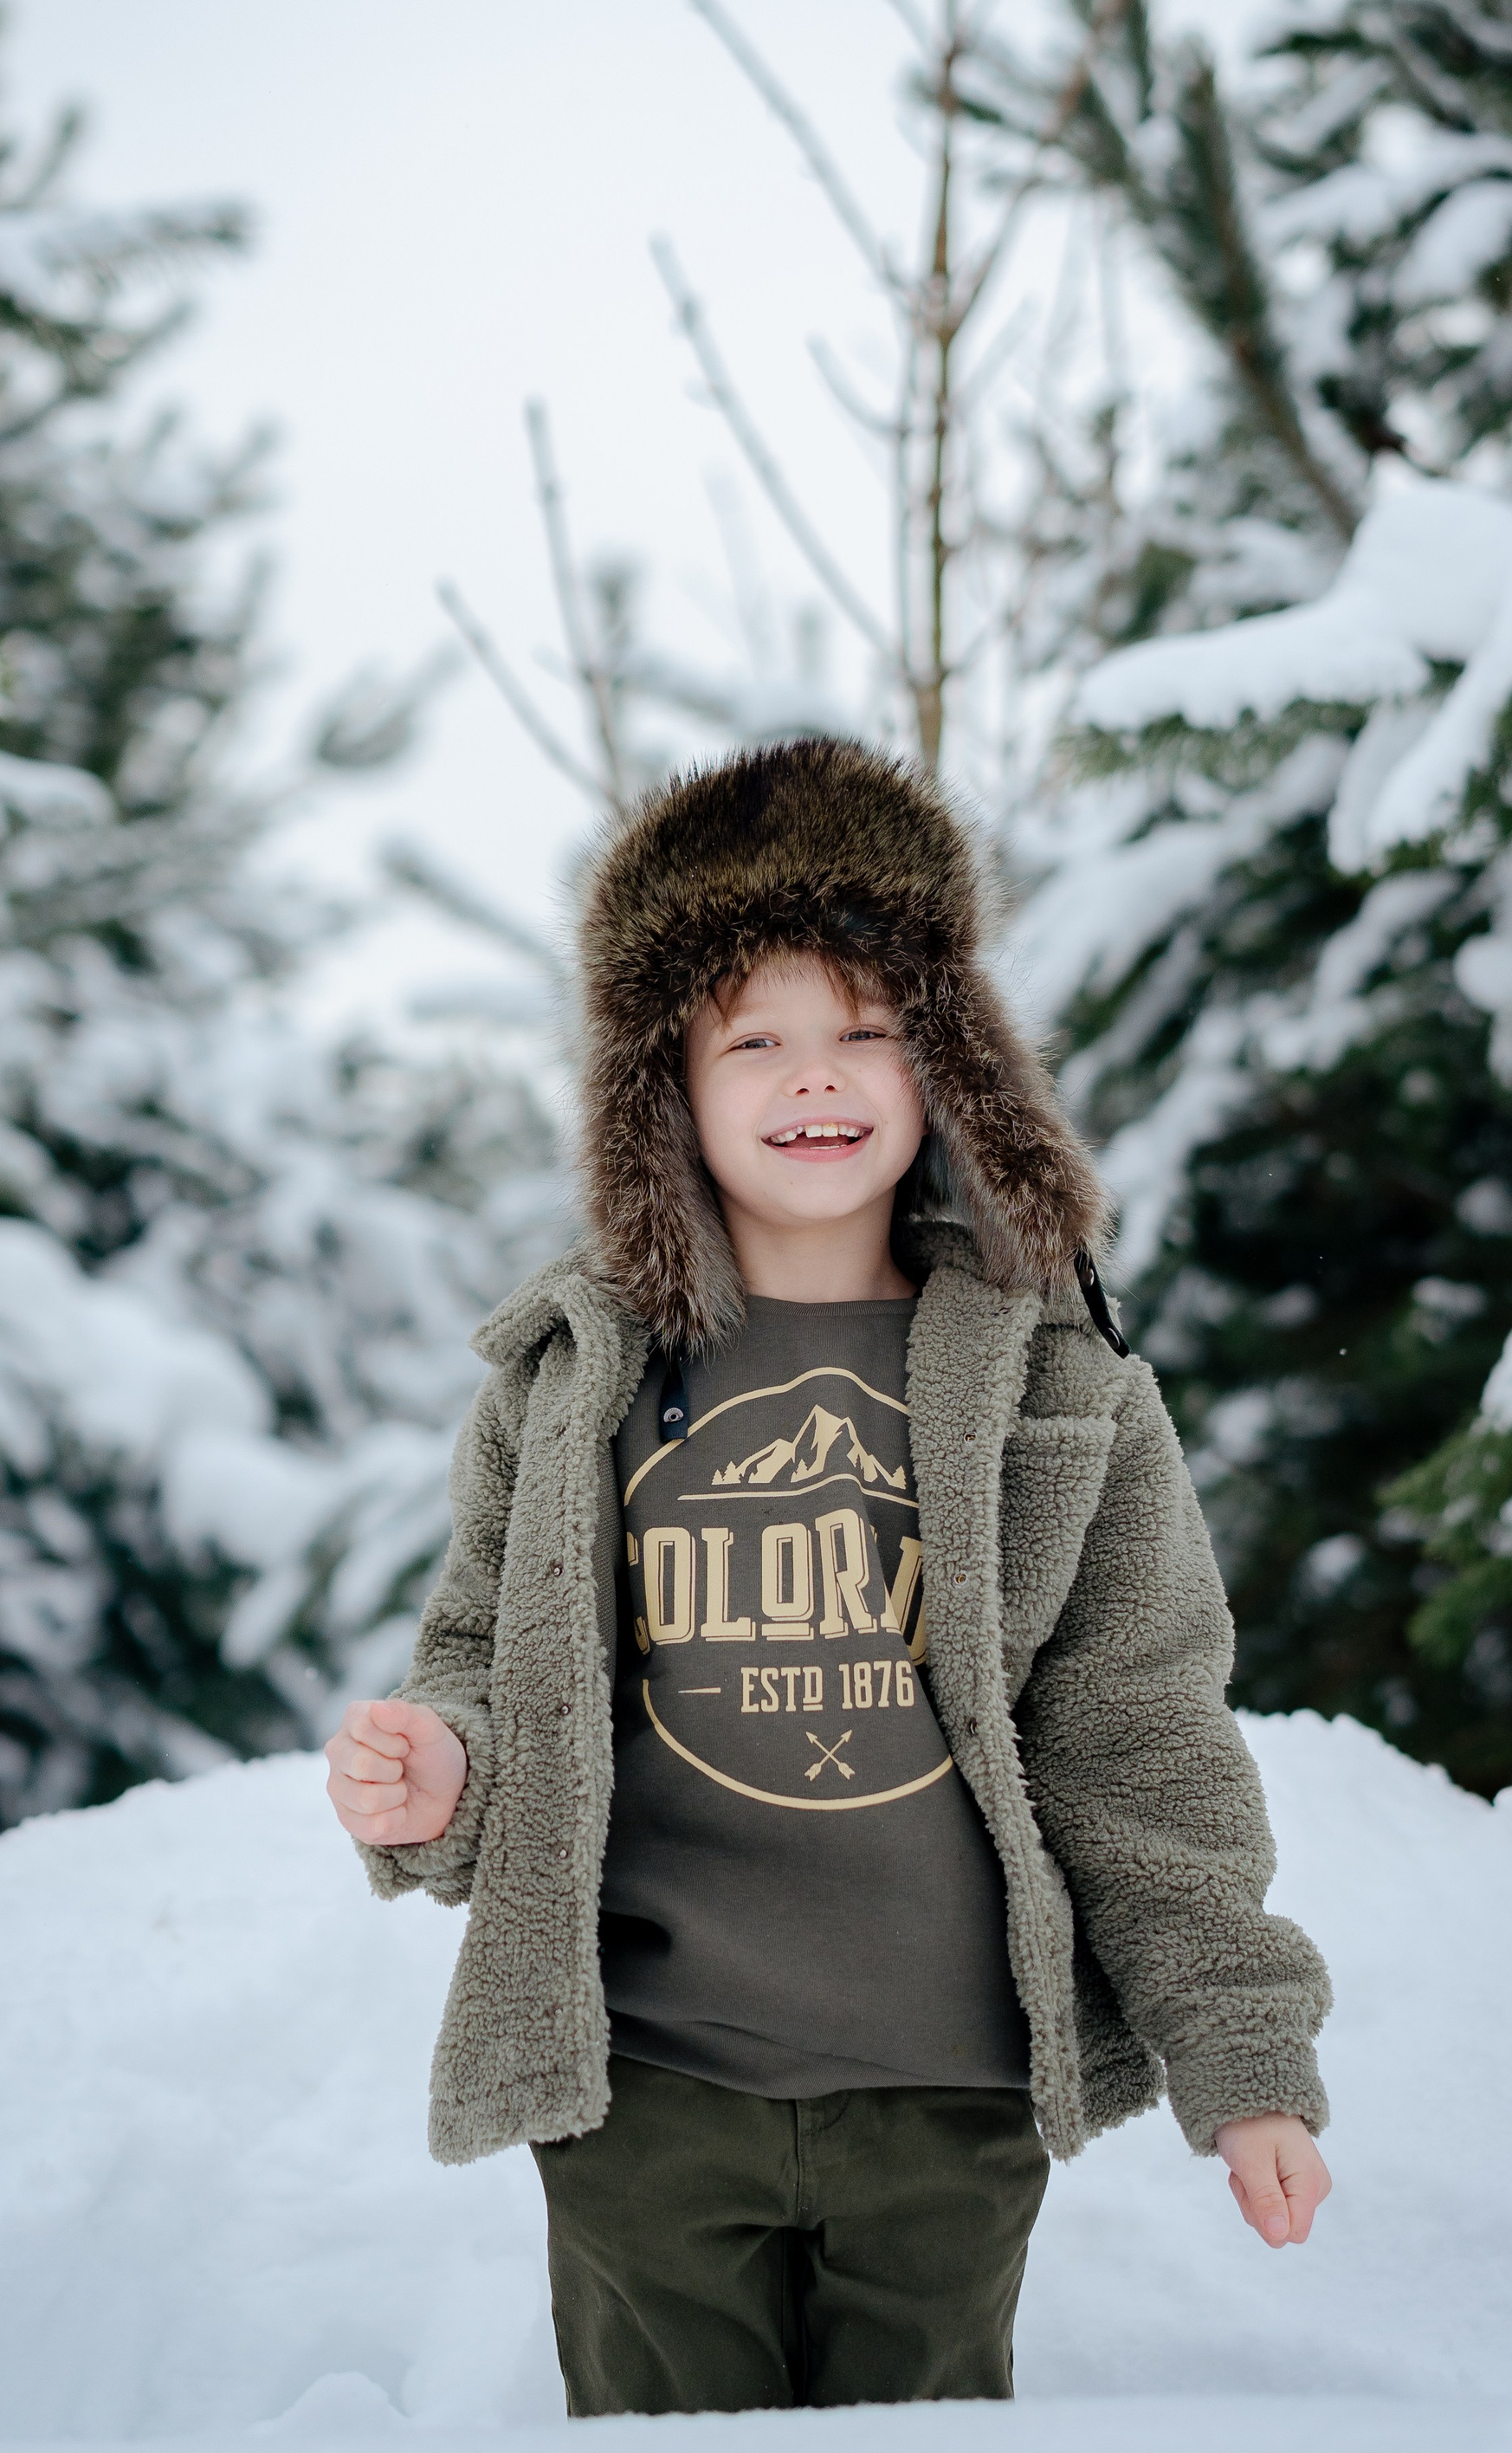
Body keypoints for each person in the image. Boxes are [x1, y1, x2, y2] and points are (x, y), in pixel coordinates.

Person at [326, 738, 1332, 2419]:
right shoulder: (575, 1378)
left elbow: (1137, 1737)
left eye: (866, 1026)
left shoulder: (1053, 1384)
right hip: (647, 2092)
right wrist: (440, 1771)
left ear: (947, 1058)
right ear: (666, 1079)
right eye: (756, 1036)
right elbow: (489, 1672)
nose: (818, 1074)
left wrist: (1239, 2058)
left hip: (946, 2096)